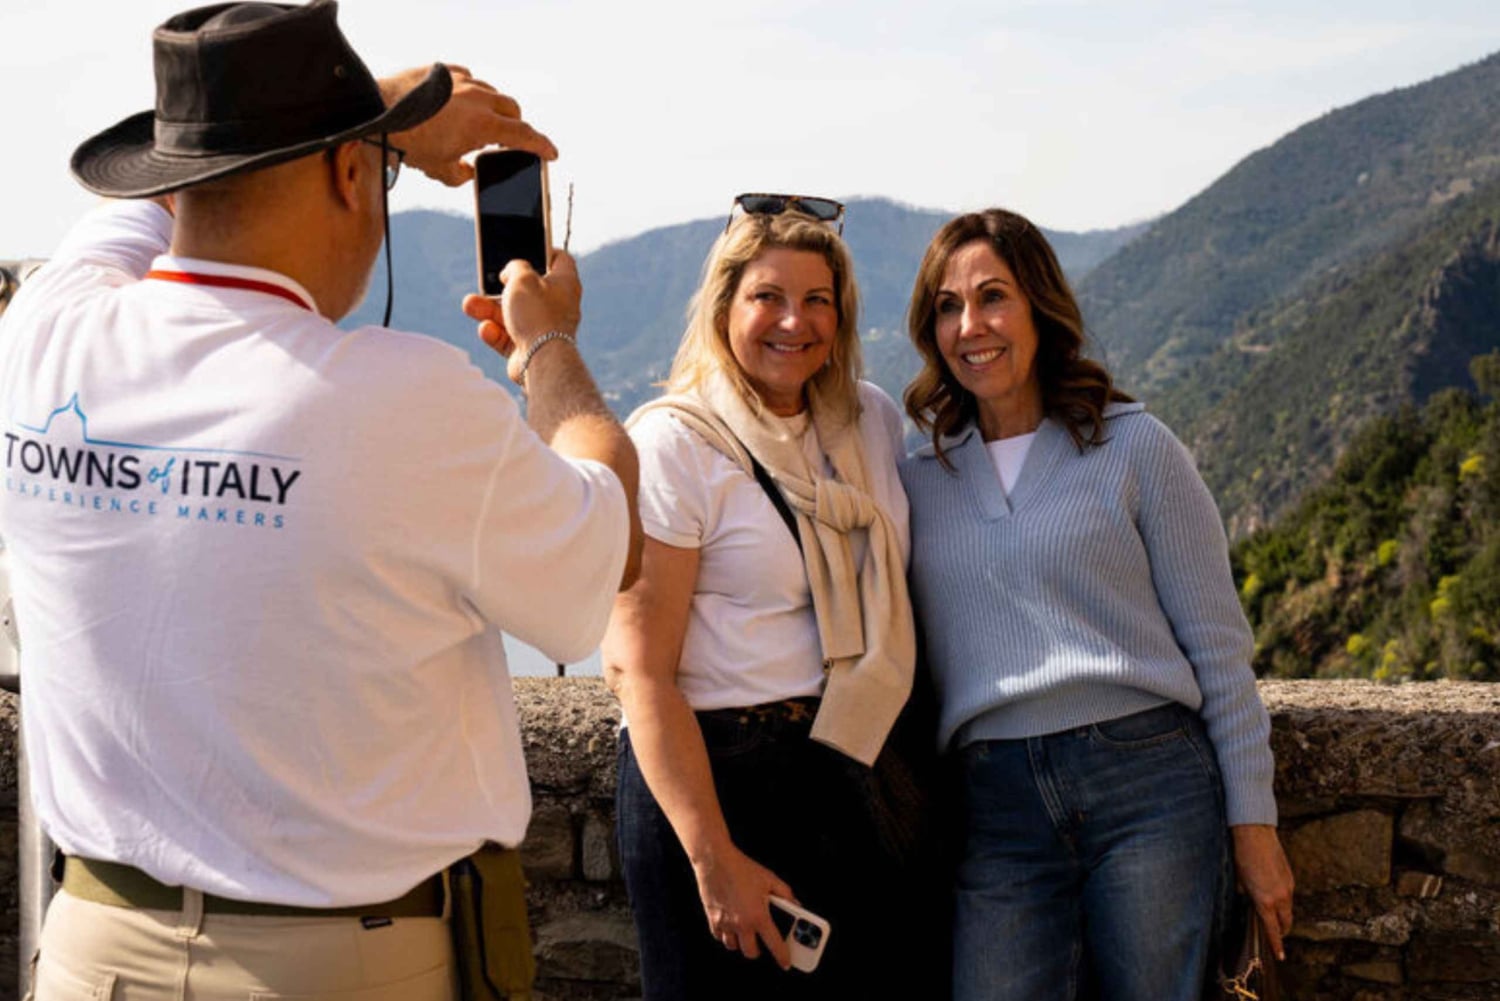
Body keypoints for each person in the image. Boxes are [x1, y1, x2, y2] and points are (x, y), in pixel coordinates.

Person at [0, 3, 641, 999]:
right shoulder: (402, 401)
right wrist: (547, 349)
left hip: (91, 949)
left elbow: (137, 218)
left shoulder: (43, 335)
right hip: (341, 964)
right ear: (350, 175)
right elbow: (610, 538)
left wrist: (365, 118)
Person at [898, 208, 1295, 1001]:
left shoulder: (1136, 445)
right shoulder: (916, 476)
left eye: (993, 296)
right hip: (994, 804)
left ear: (1040, 306)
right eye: (948, 305)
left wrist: (1255, 825)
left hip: (1148, 784)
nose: (970, 324)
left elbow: (1219, 648)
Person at [601, 196, 918, 999]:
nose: (793, 320)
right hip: (716, 776)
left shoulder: (867, 422)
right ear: (725, 307)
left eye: (817, 299)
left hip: (841, 771)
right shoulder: (677, 444)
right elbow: (639, 671)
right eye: (767, 297)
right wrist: (714, 860)